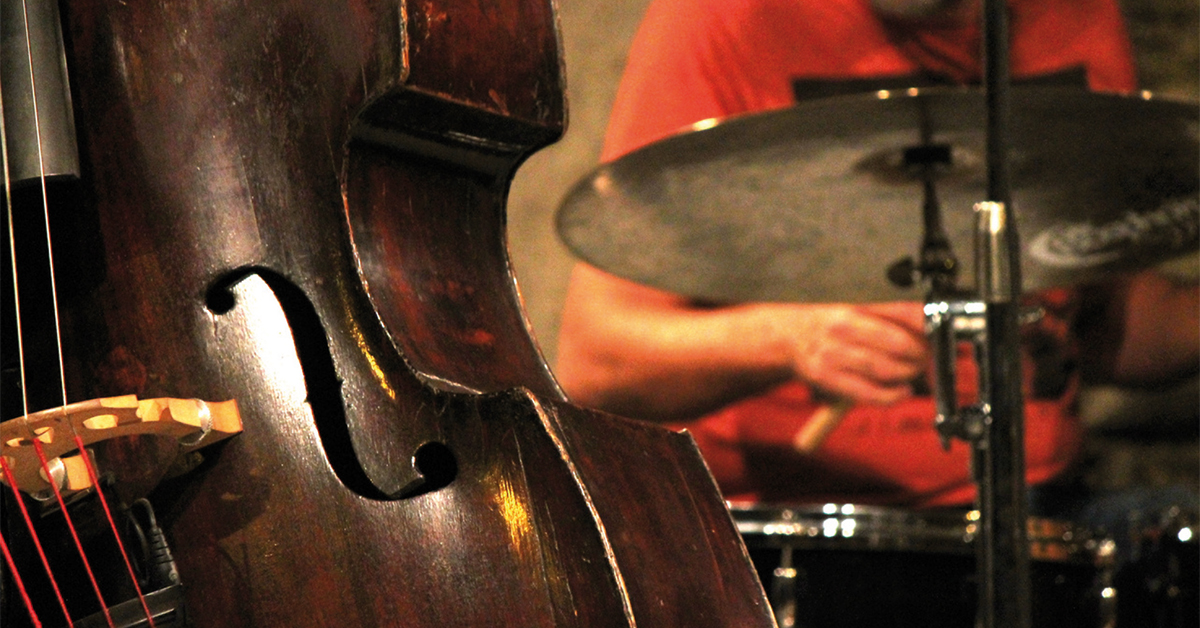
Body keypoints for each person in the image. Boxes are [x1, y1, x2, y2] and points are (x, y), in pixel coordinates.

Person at [555, 0, 1199, 511]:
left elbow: (1101, 323)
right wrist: (791, 338)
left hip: (1040, 507)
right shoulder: (727, 16)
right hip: (802, 523)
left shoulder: (1078, 13)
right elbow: (596, 360)